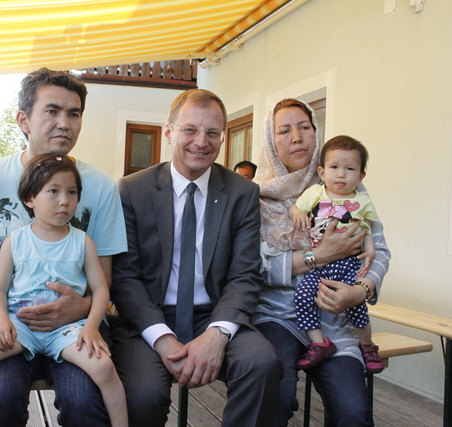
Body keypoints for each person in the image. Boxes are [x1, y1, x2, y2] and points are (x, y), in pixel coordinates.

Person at [110, 89, 281, 426]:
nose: (201, 142)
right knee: (142, 395)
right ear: (170, 132)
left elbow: (245, 275)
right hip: (149, 319)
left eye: (213, 133)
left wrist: (218, 333)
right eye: (190, 129)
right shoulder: (132, 189)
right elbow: (125, 277)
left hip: (213, 314)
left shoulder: (242, 193)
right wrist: (161, 337)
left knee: (261, 364)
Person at [0, 67, 127, 426]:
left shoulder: (99, 186)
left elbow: (103, 277)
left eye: (74, 113)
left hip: (77, 324)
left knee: (86, 400)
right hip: (8, 318)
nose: (64, 123)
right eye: (52, 111)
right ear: (23, 119)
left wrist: (79, 310)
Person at [0, 154, 126, 427]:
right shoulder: (15, 241)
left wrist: (90, 327)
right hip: (20, 324)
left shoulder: (83, 242)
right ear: (30, 199)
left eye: (72, 192)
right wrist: (3, 321)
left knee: (103, 368)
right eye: (53, 191)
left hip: (68, 329)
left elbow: (101, 290)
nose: (64, 200)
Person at [253, 98, 391, 426]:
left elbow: (380, 251)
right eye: (284, 131)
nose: (297, 137)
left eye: (304, 127)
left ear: (316, 133)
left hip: (337, 322)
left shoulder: (343, 184)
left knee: (353, 414)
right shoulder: (254, 197)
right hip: (278, 320)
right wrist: (320, 256)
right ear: (272, 142)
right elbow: (255, 269)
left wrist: (362, 290)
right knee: (275, 398)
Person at [289, 135, 383, 372]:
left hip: (351, 263)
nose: (341, 174)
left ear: (361, 176)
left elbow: (369, 229)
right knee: (302, 296)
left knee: (356, 304)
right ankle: (319, 342)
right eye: (334, 167)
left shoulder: (363, 201)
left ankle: (367, 344)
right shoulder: (316, 193)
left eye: (350, 169)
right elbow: (295, 208)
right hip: (319, 265)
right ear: (322, 172)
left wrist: (370, 251)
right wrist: (297, 214)